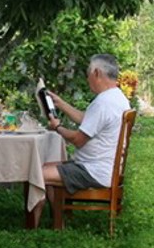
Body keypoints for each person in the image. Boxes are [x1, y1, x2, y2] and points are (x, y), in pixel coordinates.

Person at [43, 54, 130, 197]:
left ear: (96, 73)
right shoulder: (117, 98)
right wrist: (60, 103)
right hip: (103, 168)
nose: (87, 78)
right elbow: (87, 120)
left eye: (88, 74)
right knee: (45, 168)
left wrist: (58, 128)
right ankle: (57, 218)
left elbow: (78, 140)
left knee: (36, 174)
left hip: (93, 171)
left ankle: (33, 219)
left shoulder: (104, 103)